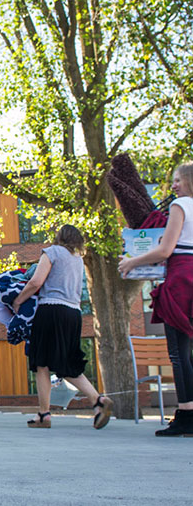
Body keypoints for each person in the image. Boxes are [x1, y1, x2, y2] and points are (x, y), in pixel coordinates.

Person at [13, 224, 113, 429]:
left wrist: (18, 301)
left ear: (59, 237)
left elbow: (35, 282)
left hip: (51, 311)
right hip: (73, 314)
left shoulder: (51, 252)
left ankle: (44, 414)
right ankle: (98, 401)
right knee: (67, 363)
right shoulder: (77, 260)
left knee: (41, 363)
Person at [119, 162, 193, 436]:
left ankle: (186, 415)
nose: (173, 186)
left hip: (181, 281)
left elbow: (165, 249)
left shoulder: (180, 206)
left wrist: (131, 262)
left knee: (179, 353)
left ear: (188, 181)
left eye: (177, 180)